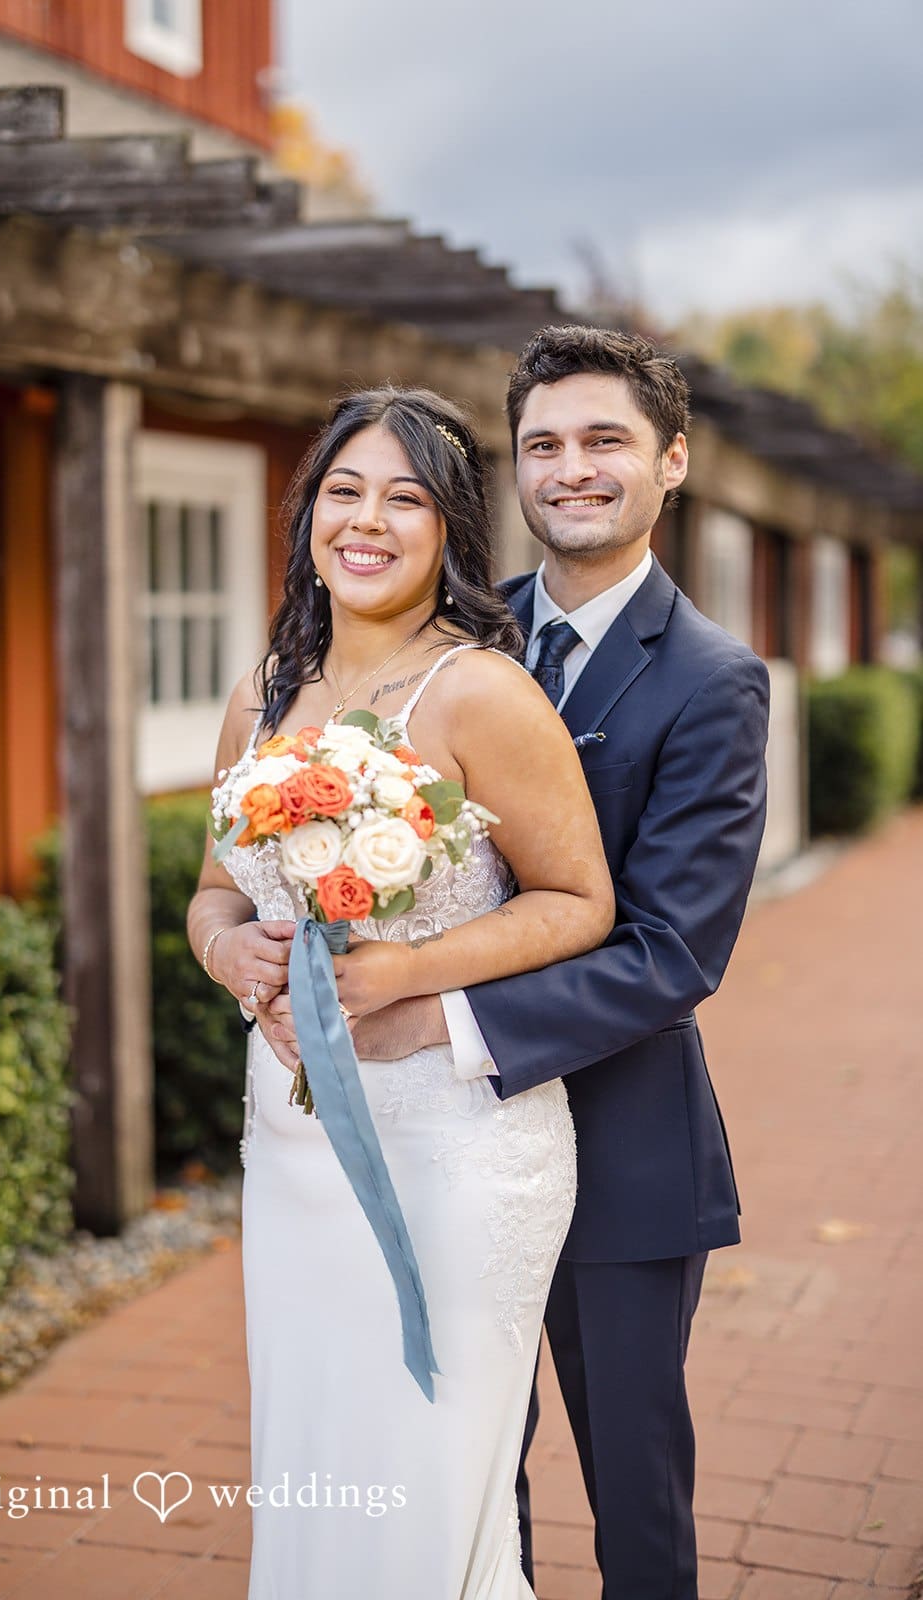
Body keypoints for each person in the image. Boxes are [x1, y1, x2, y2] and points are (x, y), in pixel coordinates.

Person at [263, 325, 770, 1599]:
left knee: (632, 1486)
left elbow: (670, 949)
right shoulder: (444, 643)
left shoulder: (712, 680)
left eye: (604, 440)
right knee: (469, 1469)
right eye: (541, 444)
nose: (570, 469)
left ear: (671, 461)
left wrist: (427, 1017)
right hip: (427, 1142)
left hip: (617, 1142)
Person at [186, 386, 615, 1599]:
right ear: (308, 513)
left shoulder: (481, 693)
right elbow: (215, 894)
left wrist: (403, 974)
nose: (366, 521)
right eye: (343, 489)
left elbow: (579, 902)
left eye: (405, 498)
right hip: (294, 1143)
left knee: (425, 1481)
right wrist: (232, 955)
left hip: (455, 1146)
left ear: (448, 531)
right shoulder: (265, 688)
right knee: (315, 1457)